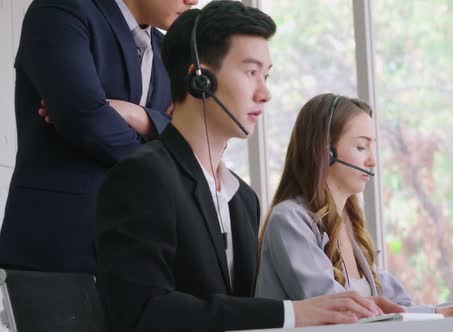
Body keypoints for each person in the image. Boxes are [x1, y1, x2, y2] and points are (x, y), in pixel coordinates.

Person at [94, 3, 404, 331]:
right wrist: (293, 313)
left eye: (266, 75)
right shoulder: (142, 177)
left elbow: (241, 313)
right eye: (251, 72)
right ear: (200, 80)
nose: (265, 93)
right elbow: (143, 311)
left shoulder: (243, 198)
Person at [255, 93, 453, 316]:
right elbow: (341, 313)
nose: (372, 160)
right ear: (325, 152)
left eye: (372, 147)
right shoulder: (290, 221)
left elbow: (405, 307)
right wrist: (448, 313)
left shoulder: (350, 231)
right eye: (361, 147)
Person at [0, 0, 196, 274]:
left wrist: (139, 116)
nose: (194, 1)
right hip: (59, 246)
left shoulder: (168, 50)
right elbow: (85, 120)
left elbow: (187, 139)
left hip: (141, 255)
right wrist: (162, 149)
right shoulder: (61, 10)